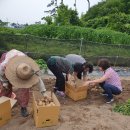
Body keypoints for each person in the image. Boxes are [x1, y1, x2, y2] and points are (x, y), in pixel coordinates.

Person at [0, 49, 46, 117]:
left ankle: (23, 107)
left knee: (25, 87)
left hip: (21, 62)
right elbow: (1, 73)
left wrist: (43, 92)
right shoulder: (4, 65)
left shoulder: (29, 69)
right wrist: (5, 82)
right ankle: (3, 104)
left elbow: (38, 79)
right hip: (8, 59)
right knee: (6, 88)